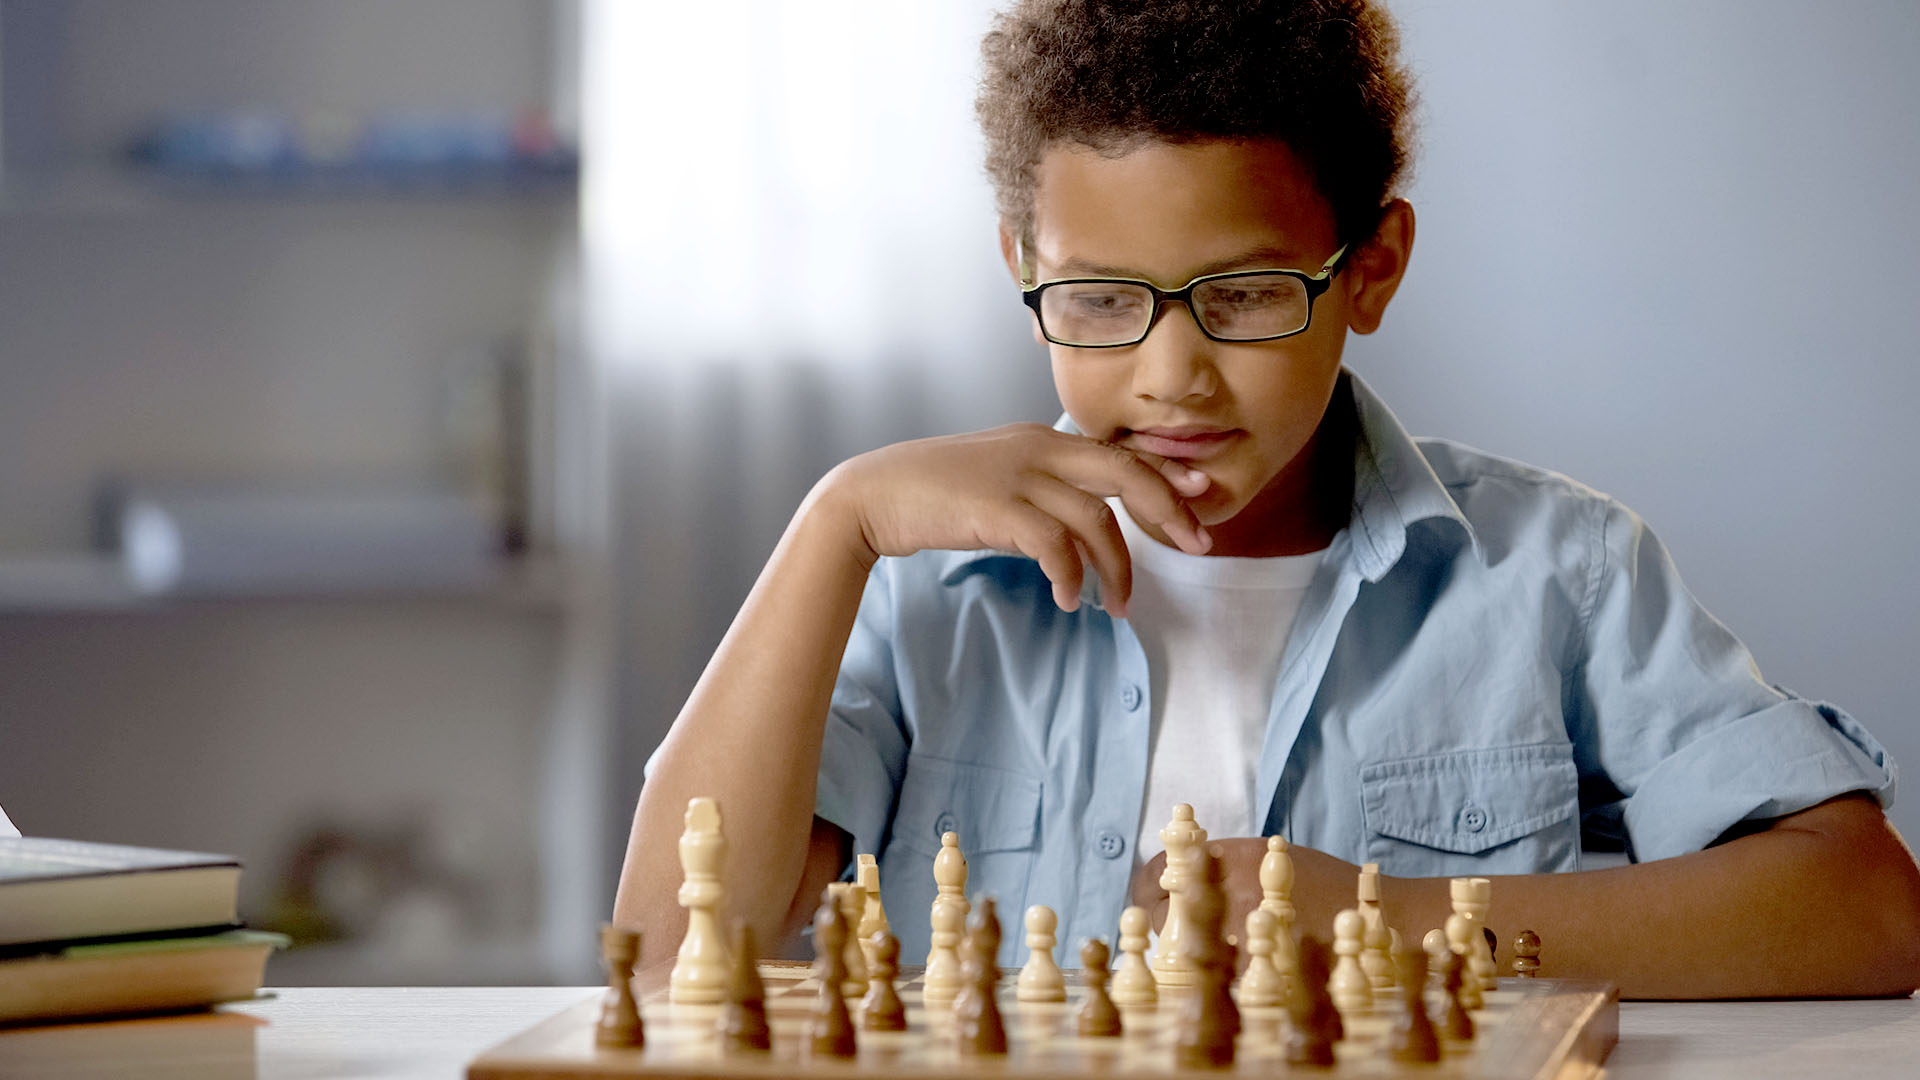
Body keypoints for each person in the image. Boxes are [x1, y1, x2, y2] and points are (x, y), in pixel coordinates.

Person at [615, 0, 1920, 998]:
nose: (1171, 375)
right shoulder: (920, 596)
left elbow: (1867, 911)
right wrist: (837, 519)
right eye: (1100, 300)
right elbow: (673, 954)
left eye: (1242, 296)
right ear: (1023, 269)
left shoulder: (1556, 573)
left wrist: (1395, 922)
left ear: (1371, 270)